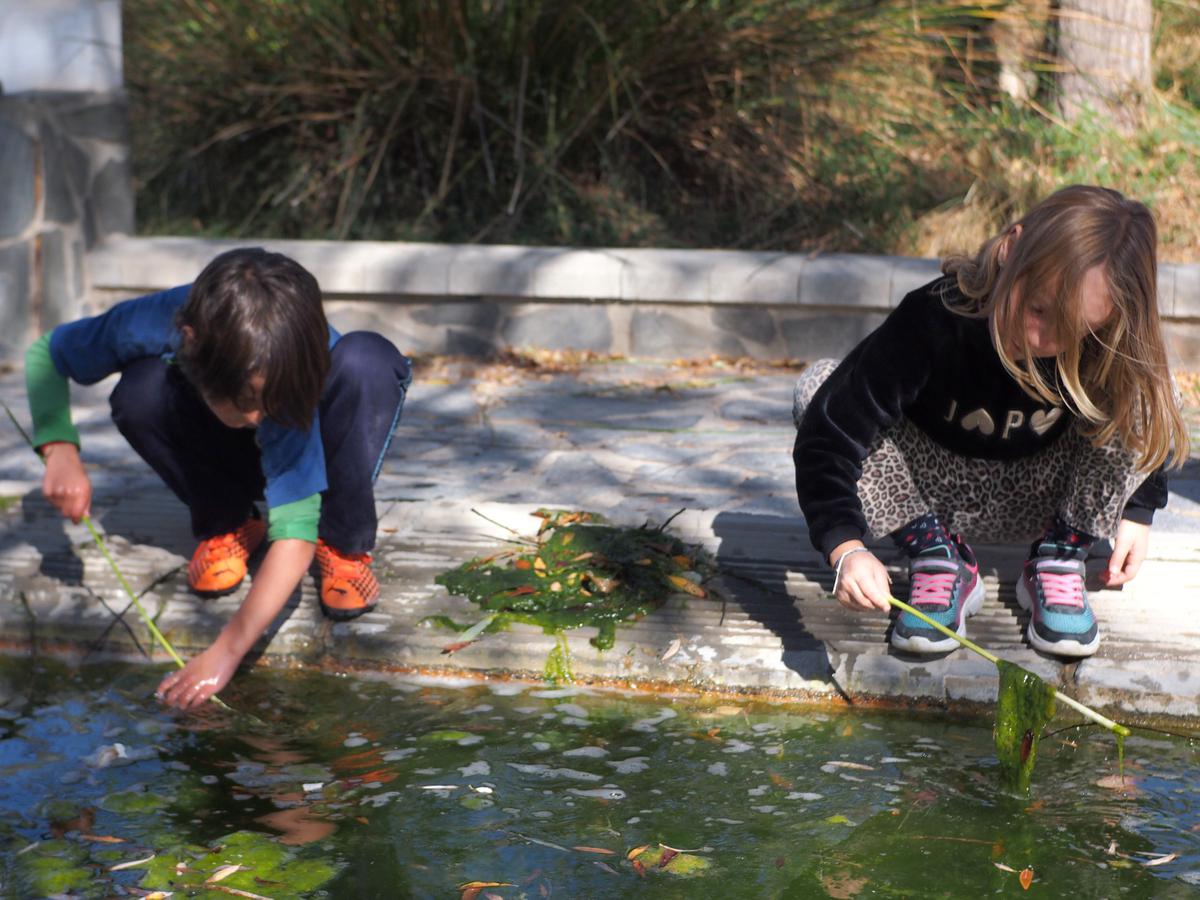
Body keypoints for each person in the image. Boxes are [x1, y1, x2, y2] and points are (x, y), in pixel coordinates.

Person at [792, 185, 1189, 658]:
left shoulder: (1102, 341)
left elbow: (1154, 410)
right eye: (1037, 307)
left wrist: (1138, 510)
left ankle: (1059, 559)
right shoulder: (932, 318)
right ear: (1010, 247)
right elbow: (830, 435)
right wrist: (846, 548)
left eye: (1069, 330)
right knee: (818, 387)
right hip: (929, 496)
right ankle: (939, 560)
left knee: (1153, 398)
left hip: (1045, 497)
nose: (1037, 335)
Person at [25, 247, 412, 708]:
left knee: (364, 359)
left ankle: (344, 543)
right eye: (246, 400)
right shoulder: (153, 320)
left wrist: (226, 652)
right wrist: (60, 451)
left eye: (264, 402)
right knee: (141, 388)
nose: (257, 416)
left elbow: (295, 536)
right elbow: (46, 355)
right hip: (229, 452)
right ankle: (229, 521)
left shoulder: (286, 378)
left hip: (324, 450)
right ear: (191, 341)